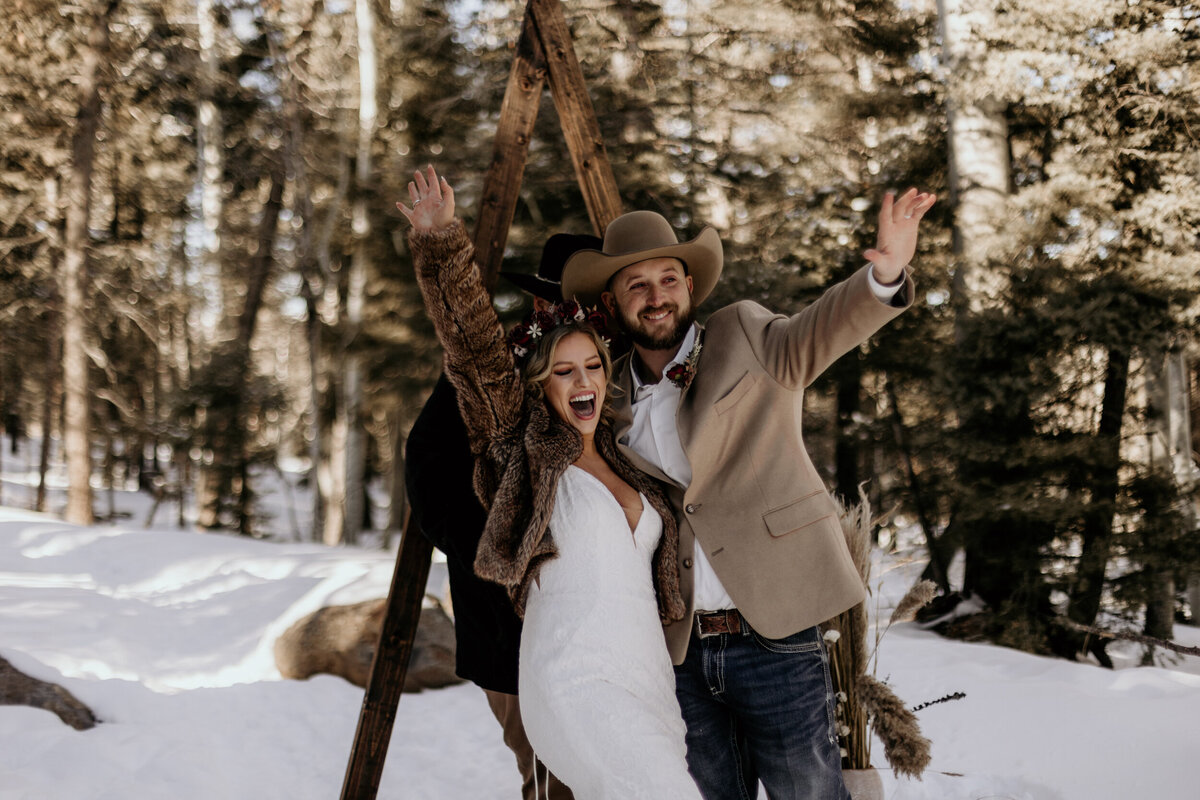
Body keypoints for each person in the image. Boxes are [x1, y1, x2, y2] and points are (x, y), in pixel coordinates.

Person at [559, 189, 936, 799]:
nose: (656, 297)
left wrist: (884, 274)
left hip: (777, 631)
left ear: (689, 285)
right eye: (636, 285)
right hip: (677, 650)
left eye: (667, 279)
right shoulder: (605, 397)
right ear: (611, 302)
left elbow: (821, 329)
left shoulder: (746, 336)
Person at [398, 164, 704, 800]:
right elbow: (467, 359)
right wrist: (511, 532)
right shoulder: (513, 419)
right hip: (527, 632)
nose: (584, 360)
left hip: (639, 668)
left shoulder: (617, 419)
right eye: (568, 311)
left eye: (594, 339)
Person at [404, 231, 597, 800]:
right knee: (550, 778)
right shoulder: (490, 372)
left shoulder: (603, 375)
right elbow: (429, 474)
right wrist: (500, 554)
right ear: (542, 303)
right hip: (509, 627)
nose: (574, 313)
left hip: (597, 632)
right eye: (563, 300)